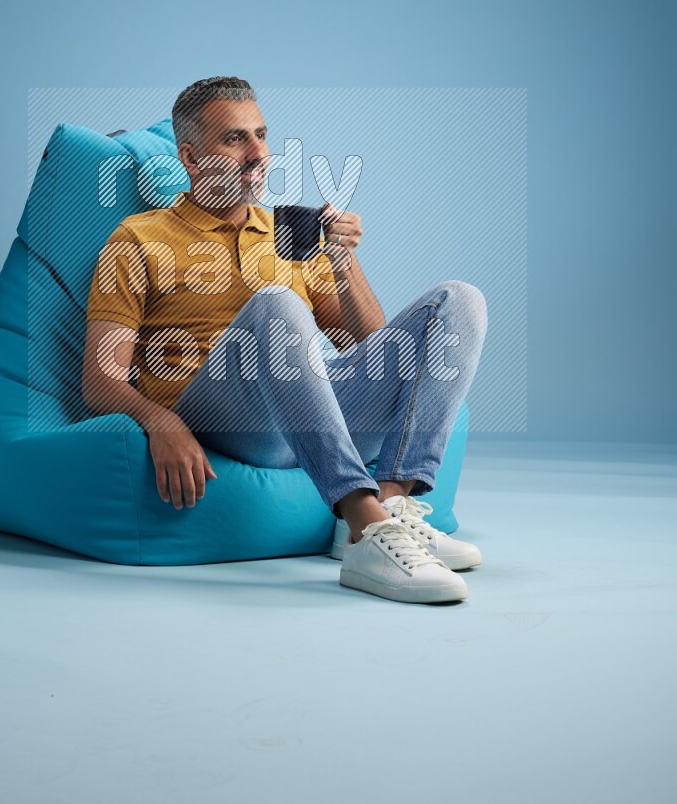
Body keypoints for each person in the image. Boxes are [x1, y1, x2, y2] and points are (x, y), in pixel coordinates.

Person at [82, 76, 488, 604]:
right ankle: (363, 524)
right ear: (190, 156)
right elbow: (98, 378)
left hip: (307, 411)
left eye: (261, 135)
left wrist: (343, 262)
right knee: (278, 303)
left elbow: (371, 345)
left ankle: (390, 508)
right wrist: (163, 421)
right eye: (234, 140)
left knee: (459, 300)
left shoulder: (290, 233)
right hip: (225, 416)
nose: (257, 155)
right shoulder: (140, 237)